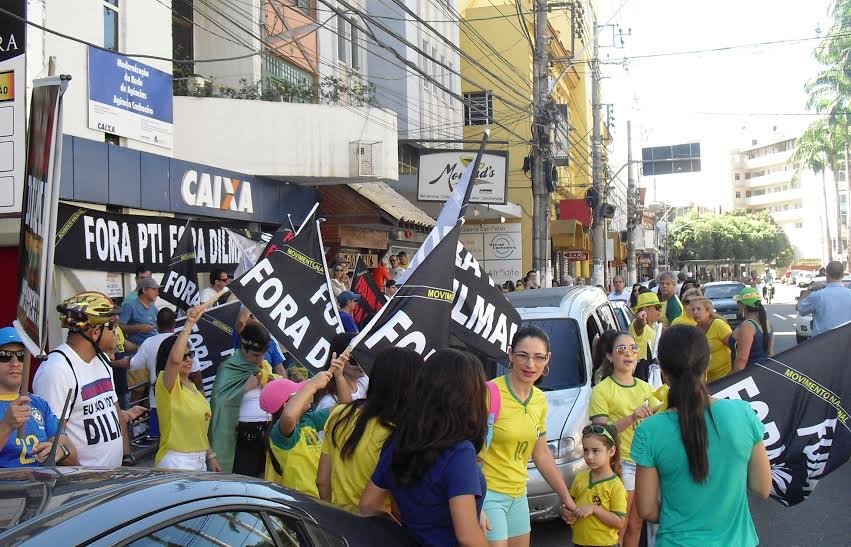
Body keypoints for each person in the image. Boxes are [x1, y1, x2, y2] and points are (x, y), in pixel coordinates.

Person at [633, 325, 772, 546]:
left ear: (664, 372)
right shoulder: (743, 413)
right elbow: (762, 487)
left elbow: (647, 509)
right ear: (706, 367)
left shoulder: (649, 430)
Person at [360, 349, 489, 546]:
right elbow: (467, 536)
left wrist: (402, 533)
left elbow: (368, 505)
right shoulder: (459, 452)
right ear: (470, 397)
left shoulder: (399, 440)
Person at [480, 326, 577, 546]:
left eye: (538, 357)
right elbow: (466, 450)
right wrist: (472, 504)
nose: (530, 365)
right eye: (523, 355)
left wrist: (566, 496)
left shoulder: (540, 400)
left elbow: (541, 453)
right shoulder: (488, 393)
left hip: (517, 495)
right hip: (488, 494)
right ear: (511, 354)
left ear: (548, 358)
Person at [33, 292, 145, 467]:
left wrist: (125, 454)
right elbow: (54, 441)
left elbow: (112, 408)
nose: (118, 332)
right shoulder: (56, 371)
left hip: (111, 479)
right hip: (82, 487)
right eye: (113, 327)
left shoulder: (103, 360)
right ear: (95, 333)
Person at [317, 347, 424, 511]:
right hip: (381, 531)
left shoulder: (339, 413)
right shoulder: (401, 434)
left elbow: (322, 481)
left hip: (339, 525)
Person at [590, 330, 660, 547]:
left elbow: (660, 419)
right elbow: (600, 435)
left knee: (637, 524)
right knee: (621, 523)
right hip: (621, 464)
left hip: (645, 463)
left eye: (633, 348)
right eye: (621, 349)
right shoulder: (601, 390)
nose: (628, 354)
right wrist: (631, 417)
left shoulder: (647, 388)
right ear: (610, 356)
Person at [261, 355, 349, 497]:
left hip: (318, 500)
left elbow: (345, 408)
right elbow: (289, 416)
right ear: (286, 405)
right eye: (299, 392)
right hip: (301, 506)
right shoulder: (279, 434)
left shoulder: (308, 420)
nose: (307, 393)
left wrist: (339, 376)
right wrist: (312, 385)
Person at [153, 307, 220, 472]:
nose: (189, 360)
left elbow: (198, 428)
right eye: (184, 356)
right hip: (176, 461)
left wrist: (210, 456)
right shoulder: (166, 383)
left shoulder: (192, 387)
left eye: (191, 354)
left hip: (199, 461)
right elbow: (174, 361)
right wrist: (189, 324)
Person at [0, 327, 78, 467]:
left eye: (21, 355)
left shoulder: (39, 403)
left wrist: (60, 451)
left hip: (43, 487)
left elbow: (73, 457)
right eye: (5, 355)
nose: (15, 363)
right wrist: (6, 426)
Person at [209, 323, 281, 475]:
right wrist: (244, 389)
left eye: (263, 355)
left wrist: (271, 384)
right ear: (243, 348)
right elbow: (218, 403)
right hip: (242, 439)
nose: (259, 360)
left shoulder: (264, 366)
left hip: (266, 434)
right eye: (255, 355)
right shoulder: (228, 368)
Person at [129, 308, 202, 440]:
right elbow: (196, 372)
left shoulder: (148, 343)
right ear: (174, 323)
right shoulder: (186, 341)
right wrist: (201, 391)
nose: (188, 359)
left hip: (157, 401)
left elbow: (133, 364)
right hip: (182, 401)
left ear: (157, 325)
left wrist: (114, 362)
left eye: (189, 355)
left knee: (162, 440)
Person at [563, 423, 627, 547]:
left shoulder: (616, 486)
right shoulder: (580, 477)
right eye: (586, 450)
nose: (589, 456)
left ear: (611, 451)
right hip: (579, 542)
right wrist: (566, 511)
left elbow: (619, 522)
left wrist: (594, 509)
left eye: (595, 451)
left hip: (605, 544)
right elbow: (570, 504)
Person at [316, 333, 370, 411]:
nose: (360, 364)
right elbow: (347, 413)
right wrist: (339, 375)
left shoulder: (364, 380)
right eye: (353, 360)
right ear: (337, 361)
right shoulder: (329, 402)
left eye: (362, 357)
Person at [797, 260, 851, 337]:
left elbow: (800, 308)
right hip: (846, 344)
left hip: (822, 344)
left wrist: (810, 289)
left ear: (827, 274)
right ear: (842, 275)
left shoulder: (818, 295)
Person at [687, 297, 733, 382]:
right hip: (708, 380)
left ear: (708, 311)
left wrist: (733, 373)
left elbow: (735, 348)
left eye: (699, 309)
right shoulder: (695, 329)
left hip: (726, 375)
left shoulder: (718, 325)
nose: (695, 312)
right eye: (693, 310)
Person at [730, 288, 774, 372]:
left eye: (738, 303)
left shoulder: (747, 326)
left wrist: (734, 379)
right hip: (763, 372)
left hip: (747, 374)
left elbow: (742, 359)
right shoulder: (767, 323)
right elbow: (771, 353)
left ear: (743, 305)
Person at [233, 308, 286, 376]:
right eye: (250, 316)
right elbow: (241, 321)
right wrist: (253, 301)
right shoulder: (241, 335)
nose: (254, 316)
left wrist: (286, 386)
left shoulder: (271, 340)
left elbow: (280, 369)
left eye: (257, 314)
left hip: (266, 384)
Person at [629, 292, 662, 370]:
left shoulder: (655, 325)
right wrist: (640, 319)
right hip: (642, 373)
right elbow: (639, 326)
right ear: (645, 309)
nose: (659, 311)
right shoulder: (637, 325)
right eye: (657, 307)